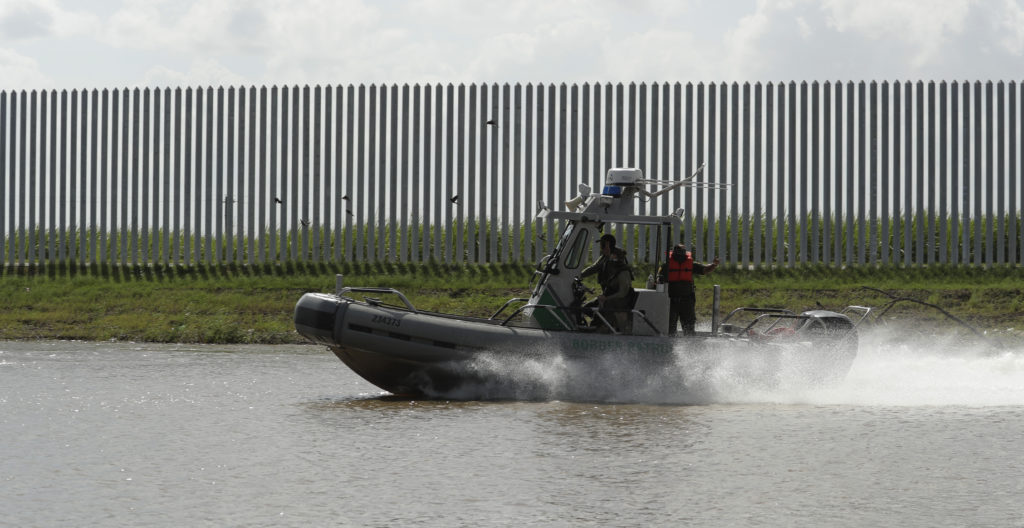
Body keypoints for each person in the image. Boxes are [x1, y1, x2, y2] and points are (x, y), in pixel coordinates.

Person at [657, 243, 719, 336]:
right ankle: (669, 346)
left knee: (689, 328)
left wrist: (714, 265)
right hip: (670, 301)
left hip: (687, 301)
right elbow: (658, 280)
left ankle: (690, 347)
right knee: (670, 329)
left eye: (681, 252)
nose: (679, 254)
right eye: (678, 252)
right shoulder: (666, 265)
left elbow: (704, 270)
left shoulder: (690, 264)